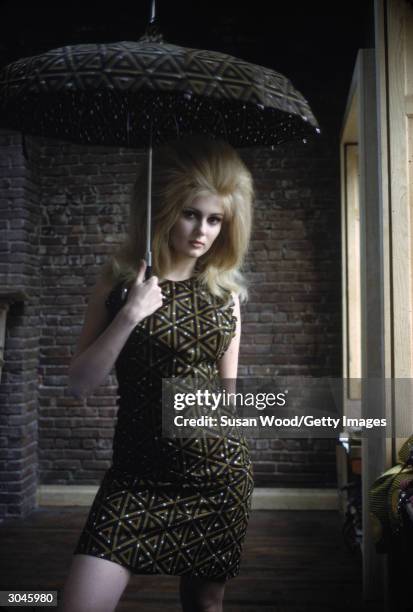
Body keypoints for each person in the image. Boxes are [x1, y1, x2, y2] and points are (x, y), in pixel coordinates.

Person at [59, 135, 255, 612]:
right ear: (166, 208)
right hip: (136, 478)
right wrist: (130, 314)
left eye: (215, 220)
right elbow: (80, 381)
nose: (202, 231)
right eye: (192, 214)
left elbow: (228, 395)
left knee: (205, 606)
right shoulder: (120, 282)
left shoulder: (225, 293)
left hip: (216, 477)